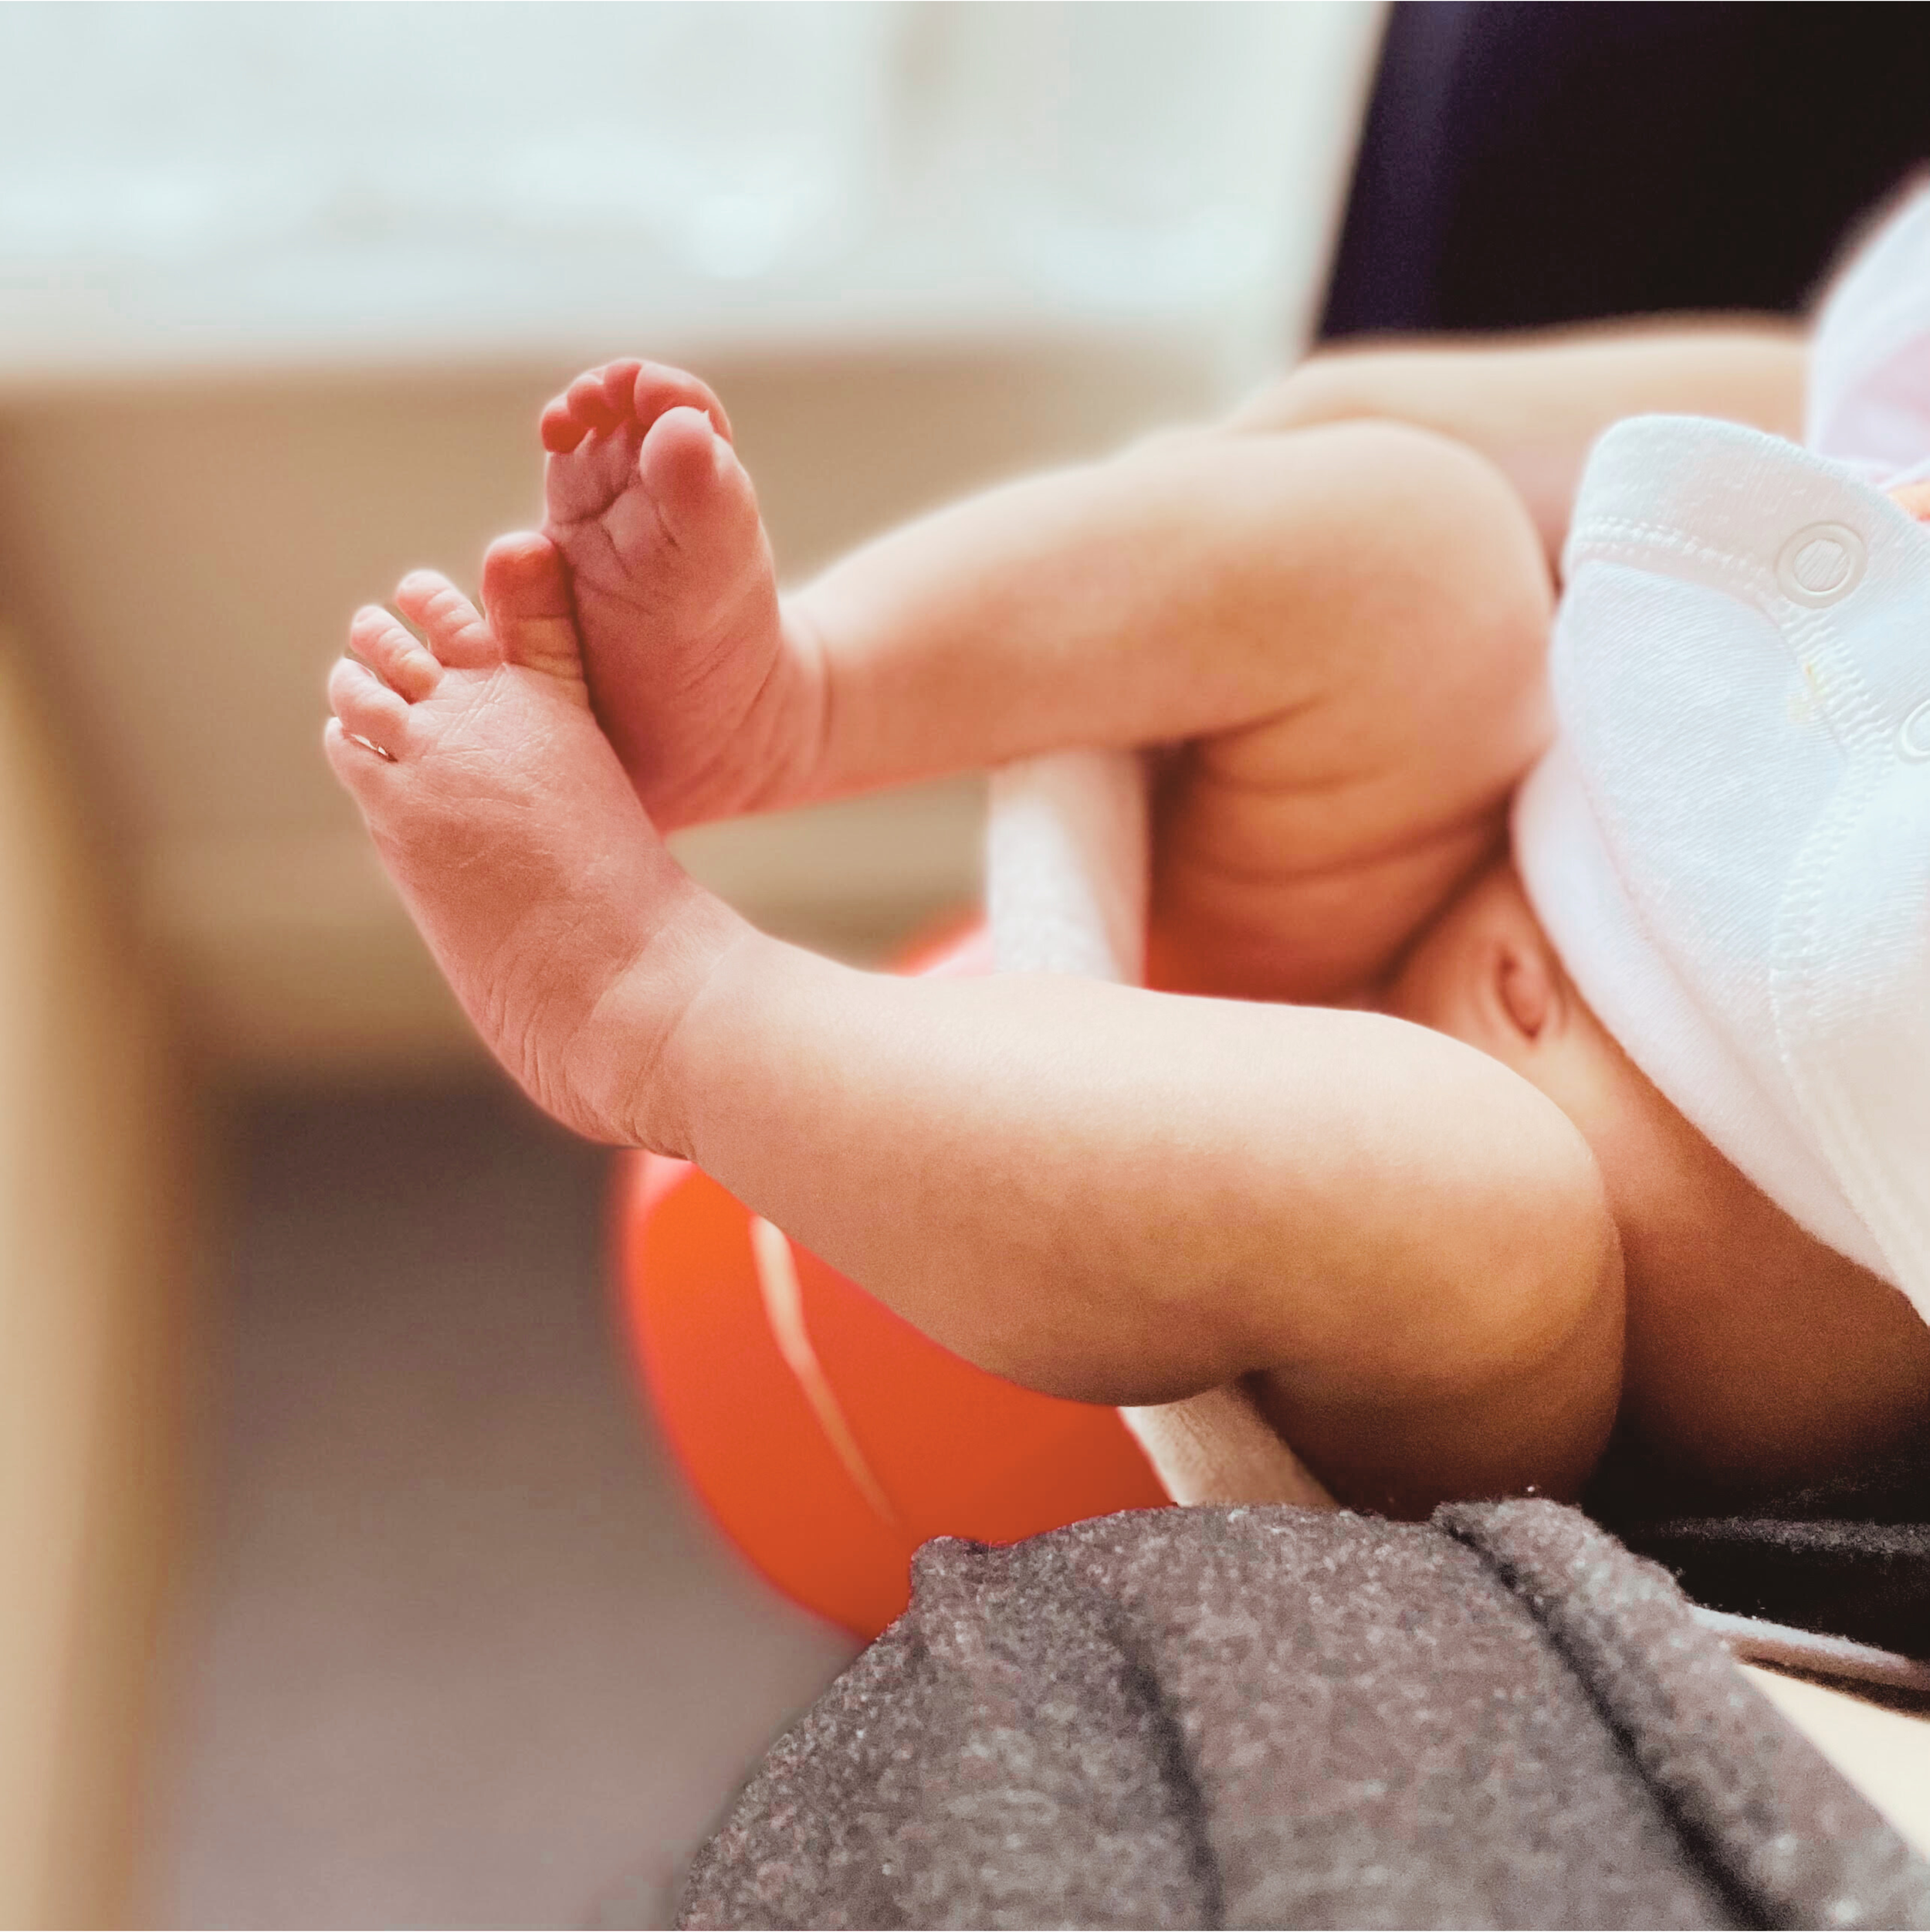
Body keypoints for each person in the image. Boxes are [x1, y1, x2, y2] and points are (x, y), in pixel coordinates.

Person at [322, 200, 1930, 1524]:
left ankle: (650, 1002)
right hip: (1428, 846)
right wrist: (1351, 443)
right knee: (1408, 538)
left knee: (1470, 1196)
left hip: (1527, 1363)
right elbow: (1801, 403)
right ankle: (789, 699)